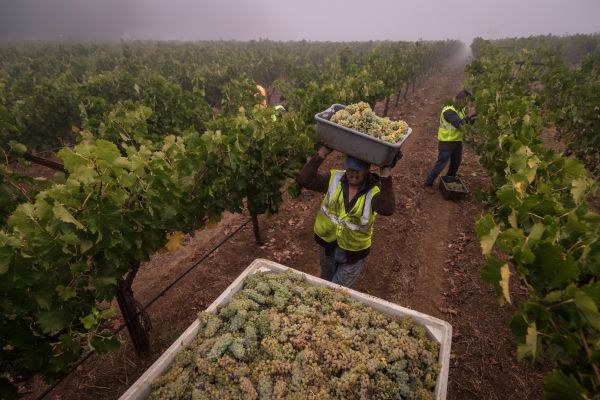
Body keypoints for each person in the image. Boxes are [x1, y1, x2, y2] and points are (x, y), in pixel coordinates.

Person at [296, 147, 399, 288]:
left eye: (358, 170)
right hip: (328, 247)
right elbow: (305, 179)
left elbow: (388, 209)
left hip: (353, 255)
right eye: (350, 169)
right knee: (324, 283)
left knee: (336, 293)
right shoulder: (334, 179)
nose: (353, 173)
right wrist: (323, 152)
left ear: (368, 170)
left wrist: (385, 173)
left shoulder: (374, 192)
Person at [424, 89, 476, 193]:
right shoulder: (448, 111)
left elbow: (465, 124)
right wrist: (471, 115)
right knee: (441, 163)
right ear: (459, 100)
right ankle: (428, 184)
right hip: (446, 142)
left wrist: (473, 119)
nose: (467, 103)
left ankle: (448, 180)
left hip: (457, 142)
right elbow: (459, 124)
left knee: (456, 163)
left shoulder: (460, 110)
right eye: (466, 101)